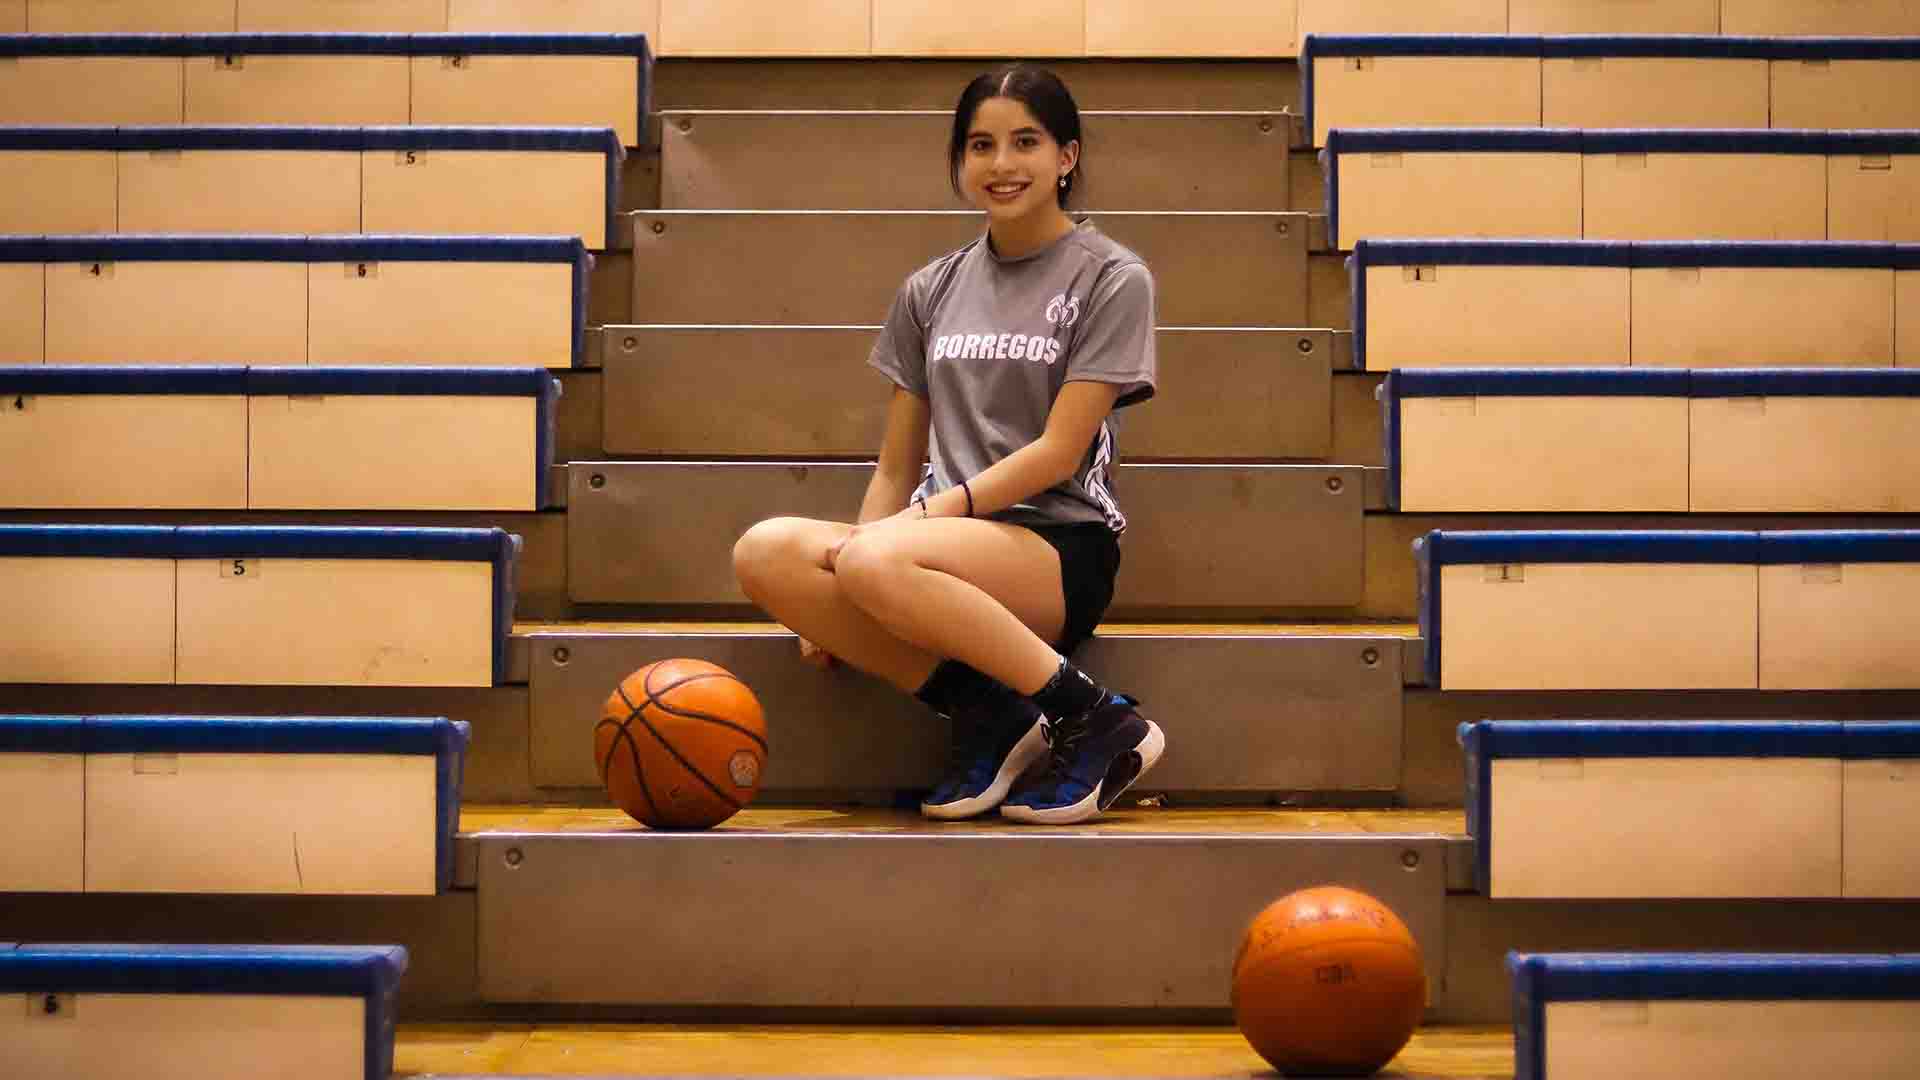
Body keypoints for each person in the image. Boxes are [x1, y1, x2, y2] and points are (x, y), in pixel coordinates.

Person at [731, 63, 1162, 825]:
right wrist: (833, 597)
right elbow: (897, 462)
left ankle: (1095, 719)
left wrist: (906, 533)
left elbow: (1060, 453)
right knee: (765, 550)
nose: (1002, 165)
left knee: (872, 554)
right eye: (981, 145)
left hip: (1056, 545)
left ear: (1067, 156)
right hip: (933, 545)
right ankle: (992, 714)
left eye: (1025, 142)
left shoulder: (1113, 277)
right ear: (959, 162)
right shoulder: (929, 289)